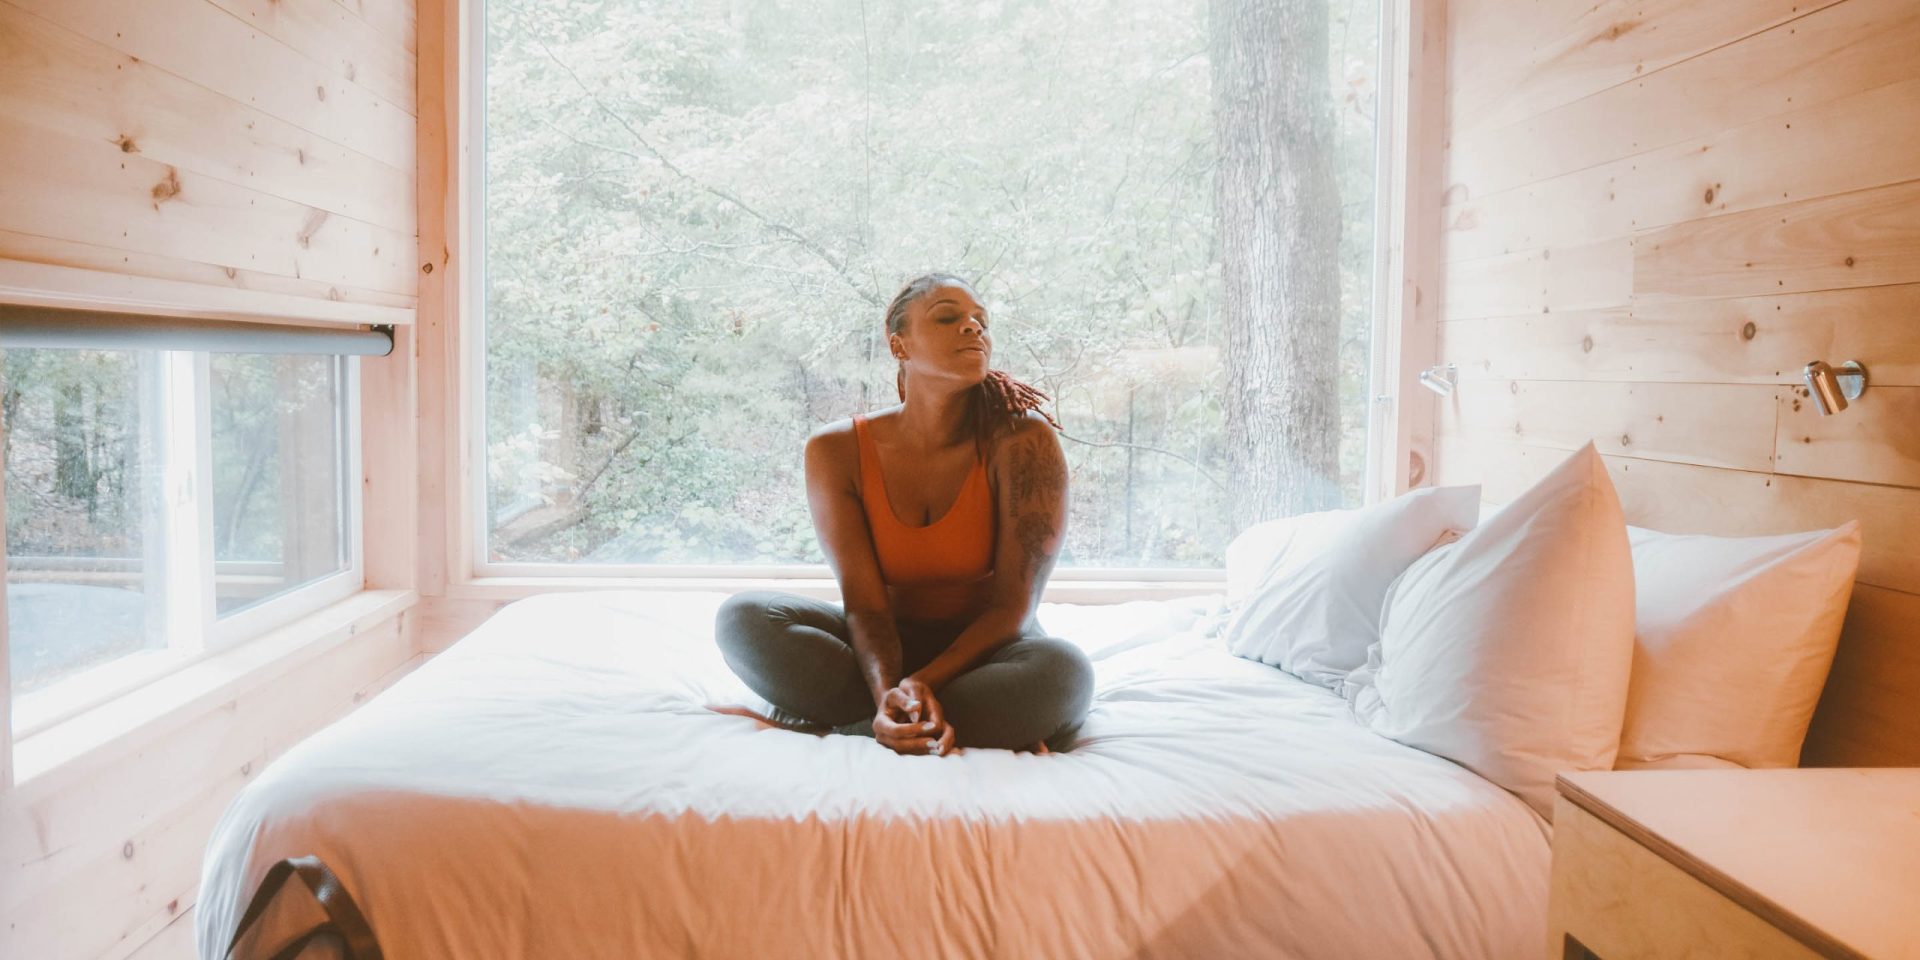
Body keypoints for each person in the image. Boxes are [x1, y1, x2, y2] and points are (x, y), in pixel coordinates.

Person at [712, 272, 1093, 756]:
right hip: (880, 649)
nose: (973, 327)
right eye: (948, 318)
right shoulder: (836, 450)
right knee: (743, 620)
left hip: (988, 652)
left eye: (981, 320)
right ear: (899, 345)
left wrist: (921, 682)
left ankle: (868, 727)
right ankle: (907, 720)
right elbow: (865, 606)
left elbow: (1013, 608)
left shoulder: (1023, 440)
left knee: (1064, 673)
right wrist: (886, 691)